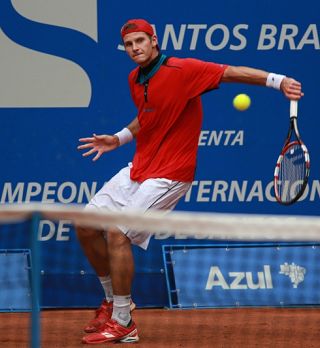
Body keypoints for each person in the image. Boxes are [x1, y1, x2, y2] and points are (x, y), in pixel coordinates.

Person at [77, 18, 304, 345]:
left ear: (154, 41)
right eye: (128, 44)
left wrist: (278, 80)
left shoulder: (183, 69)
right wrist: (120, 138)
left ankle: (124, 321)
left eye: (140, 41)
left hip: (170, 174)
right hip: (140, 166)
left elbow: (231, 71)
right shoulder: (134, 78)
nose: (135, 48)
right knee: (85, 224)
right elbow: (149, 116)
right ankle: (112, 300)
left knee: (116, 233)